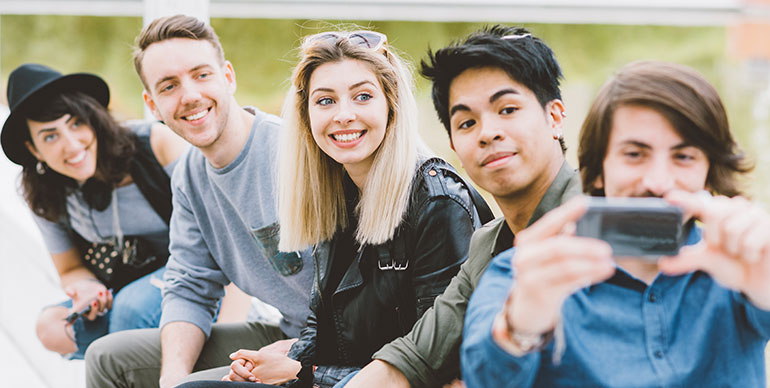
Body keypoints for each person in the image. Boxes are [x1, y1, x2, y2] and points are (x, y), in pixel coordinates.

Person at [175, 28, 492, 388]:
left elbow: (438, 364)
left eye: (362, 97)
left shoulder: (436, 201)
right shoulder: (335, 193)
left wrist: (305, 373)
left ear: (392, 105)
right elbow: (322, 324)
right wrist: (283, 361)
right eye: (325, 101)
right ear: (306, 115)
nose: (343, 115)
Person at [461, 60, 770, 388]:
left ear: (709, 173)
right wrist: (520, 326)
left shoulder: (743, 264)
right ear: (597, 173)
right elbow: (483, 377)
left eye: (684, 157)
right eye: (634, 154)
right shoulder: (521, 273)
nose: (658, 181)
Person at [84, 15, 315, 388]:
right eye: (169, 85)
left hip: (340, 345)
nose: (189, 95)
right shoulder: (190, 176)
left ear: (228, 77)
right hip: (286, 331)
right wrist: (171, 378)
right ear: (152, 105)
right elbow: (190, 283)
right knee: (108, 358)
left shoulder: (297, 153)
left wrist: (302, 352)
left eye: (201, 75)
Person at [346, 26, 580, 387]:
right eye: (467, 122)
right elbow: (414, 356)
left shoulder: (602, 219)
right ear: (454, 146)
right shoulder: (488, 246)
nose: (487, 132)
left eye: (508, 109)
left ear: (555, 117)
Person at [0, 63, 187, 359]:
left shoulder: (155, 144)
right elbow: (69, 268)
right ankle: (139, 358)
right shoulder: (43, 193)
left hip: (192, 270)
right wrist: (85, 287)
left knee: (131, 310)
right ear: (33, 149)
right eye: (50, 136)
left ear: (93, 118)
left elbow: (219, 227)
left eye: (76, 123)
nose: (72, 145)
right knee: (53, 327)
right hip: (121, 283)